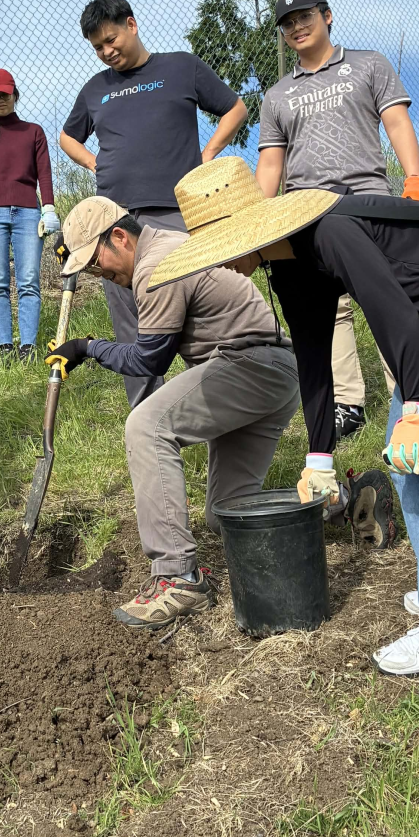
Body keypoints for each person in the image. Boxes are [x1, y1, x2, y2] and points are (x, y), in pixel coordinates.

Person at [147, 156, 419, 676]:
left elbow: (390, 311)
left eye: (223, 250)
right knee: (408, 464)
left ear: (247, 233)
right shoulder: (287, 267)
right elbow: (313, 358)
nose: (220, 264)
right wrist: (319, 455)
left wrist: (416, 406)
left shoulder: (331, 232)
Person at [44, 194, 301, 630]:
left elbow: (149, 361)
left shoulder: (156, 267)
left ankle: (177, 578)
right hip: (274, 371)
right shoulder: (167, 244)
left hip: (250, 365)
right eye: (88, 269)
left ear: (120, 236)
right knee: (226, 513)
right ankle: (335, 503)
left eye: (96, 262)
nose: (99, 273)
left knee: (146, 425)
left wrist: (87, 348)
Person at [256, 0, 419, 443]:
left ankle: (408, 397)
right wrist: (257, 228)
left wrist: (414, 181)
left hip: (367, 200)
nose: (296, 26)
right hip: (306, 212)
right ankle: (347, 404)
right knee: (330, 316)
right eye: (287, 23)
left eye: (304, 16)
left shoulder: (368, 64)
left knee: (386, 298)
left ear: (327, 15)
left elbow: (396, 122)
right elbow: (271, 164)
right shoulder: (277, 96)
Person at [59, 0, 248, 407]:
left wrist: (208, 154)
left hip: (176, 215)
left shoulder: (180, 67)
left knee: (197, 315)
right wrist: (95, 165)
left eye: (111, 40)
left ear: (132, 24)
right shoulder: (96, 89)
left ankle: (218, 403)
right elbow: (67, 136)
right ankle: (147, 417)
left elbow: (235, 108)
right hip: (115, 225)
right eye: (97, 47)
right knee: (131, 325)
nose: (106, 52)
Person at [0, 68, 59, 364]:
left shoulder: (33, 131)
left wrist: (49, 207)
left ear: (14, 94)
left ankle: (28, 347)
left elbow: (44, 172)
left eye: (4, 94)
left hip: (28, 213)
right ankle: (5, 347)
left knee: (29, 280)